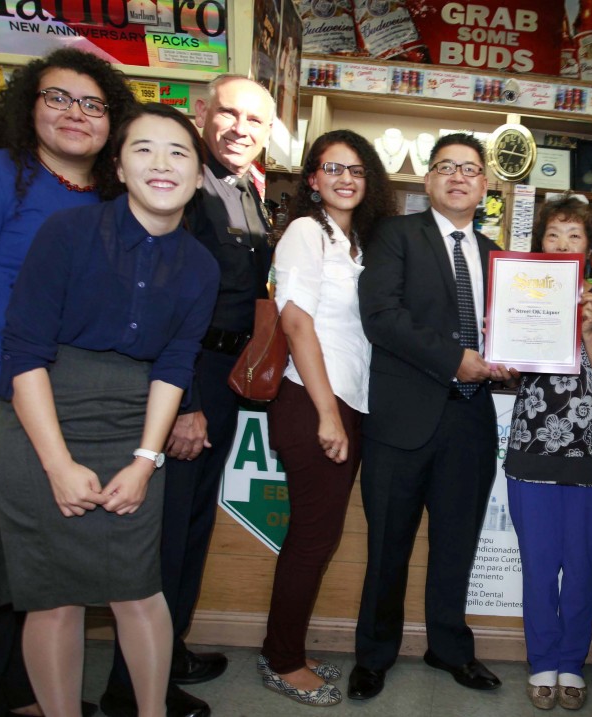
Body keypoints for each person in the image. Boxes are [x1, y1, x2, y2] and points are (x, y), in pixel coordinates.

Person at [0, 102, 219, 717]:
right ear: (117, 166)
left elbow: (175, 367)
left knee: (139, 589)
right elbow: (25, 354)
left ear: (199, 176)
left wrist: (146, 462)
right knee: (53, 597)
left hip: (134, 417)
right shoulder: (67, 233)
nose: (162, 164)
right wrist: (58, 465)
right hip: (42, 415)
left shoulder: (200, 265)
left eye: (180, 152)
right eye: (143, 148)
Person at [101, 75, 275, 717]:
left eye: (255, 120)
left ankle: (167, 651)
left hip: (226, 377)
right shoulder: (181, 185)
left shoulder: (246, 191)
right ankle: (130, 689)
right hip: (191, 376)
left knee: (195, 527)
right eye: (228, 113)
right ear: (203, 115)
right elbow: (169, 300)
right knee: (164, 537)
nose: (240, 128)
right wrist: (190, 403)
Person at [0, 48, 136, 717]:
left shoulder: (116, 201)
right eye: (58, 98)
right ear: (29, 105)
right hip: (1, 397)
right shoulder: (3, 176)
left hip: (69, 408)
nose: (75, 114)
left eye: (92, 104)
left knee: (41, 572)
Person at [350, 133, 511, 700]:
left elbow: (510, 337)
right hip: (402, 421)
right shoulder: (395, 235)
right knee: (387, 546)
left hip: (469, 423)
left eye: (471, 169)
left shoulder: (499, 257)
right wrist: (456, 360)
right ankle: (373, 654)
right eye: (446, 167)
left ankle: (450, 649)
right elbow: (380, 317)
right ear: (428, 180)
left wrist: (514, 361)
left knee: (456, 545)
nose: (459, 177)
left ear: (486, 186)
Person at [255, 129, 395, 705]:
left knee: (320, 535)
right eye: (333, 168)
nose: (345, 178)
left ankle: (285, 645)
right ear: (312, 178)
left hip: (347, 400)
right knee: (312, 538)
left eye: (357, 170)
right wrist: (326, 414)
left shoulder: (354, 241)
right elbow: (296, 323)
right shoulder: (304, 233)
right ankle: (281, 659)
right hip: (314, 401)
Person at [503, 196, 592, 710]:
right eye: (553, 235)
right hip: (530, 453)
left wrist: (586, 330)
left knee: (582, 567)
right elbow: (509, 367)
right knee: (537, 567)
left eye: (574, 236)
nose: (562, 244)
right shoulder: (520, 293)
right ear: (540, 244)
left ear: (590, 249)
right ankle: (542, 662)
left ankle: (573, 663)